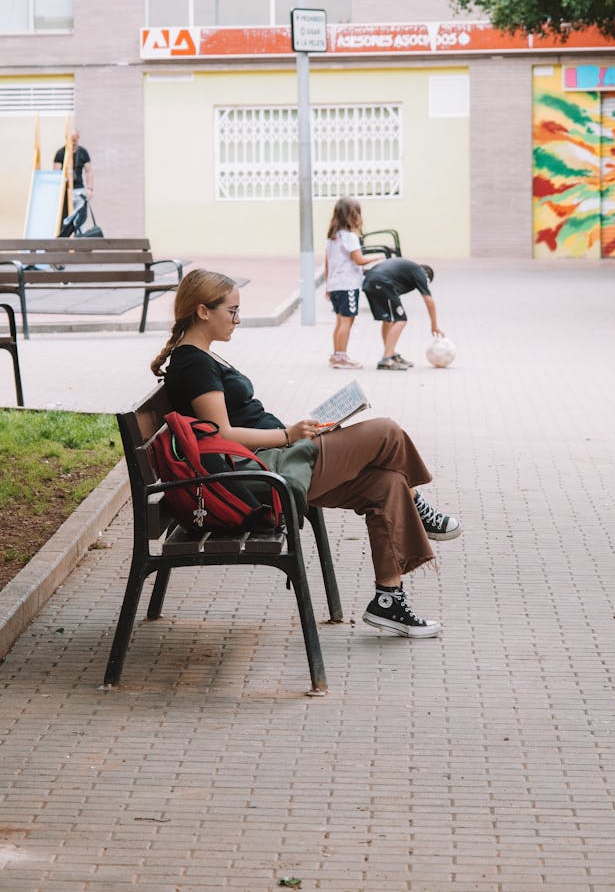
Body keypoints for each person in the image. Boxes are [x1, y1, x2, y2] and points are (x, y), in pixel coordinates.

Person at [151, 269, 462, 639]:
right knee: (388, 431)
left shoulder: (201, 358)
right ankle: (419, 502)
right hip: (260, 474)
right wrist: (287, 435)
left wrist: (295, 434)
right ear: (203, 311)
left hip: (273, 462)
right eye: (232, 311)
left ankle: (388, 599)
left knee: (387, 483)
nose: (237, 319)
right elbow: (223, 433)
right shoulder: (193, 363)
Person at [324, 196, 383, 370]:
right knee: (347, 321)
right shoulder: (350, 237)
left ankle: (336, 355)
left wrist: (328, 285)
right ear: (352, 215)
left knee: (339, 321)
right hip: (347, 284)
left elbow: (327, 263)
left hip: (335, 284)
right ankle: (342, 357)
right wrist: (378, 256)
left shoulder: (332, 238)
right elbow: (358, 260)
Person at [362, 258, 443, 371]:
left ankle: (390, 353)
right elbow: (429, 301)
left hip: (369, 282)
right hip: (382, 282)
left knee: (388, 319)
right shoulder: (420, 272)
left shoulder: (407, 272)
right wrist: (434, 325)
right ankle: (387, 359)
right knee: (401, 320)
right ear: (427, 277)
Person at [53, 130, 94, 212]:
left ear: (78, 138)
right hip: (65, 190)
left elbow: (89, 171)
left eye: (74, 140)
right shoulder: (60, 153)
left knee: (80, 216)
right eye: (70, 140)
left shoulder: (83, 152)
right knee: (66, 216)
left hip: (79, 190)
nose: (72, 143)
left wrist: (90, 189)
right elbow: (56, 173)